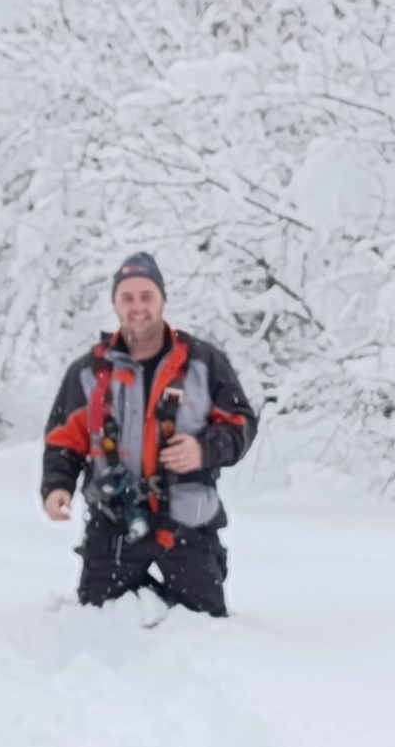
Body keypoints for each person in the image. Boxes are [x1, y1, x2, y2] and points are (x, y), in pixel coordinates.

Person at [40, 252, 257, 617]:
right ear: (114, 304)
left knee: (207, 627)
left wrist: (203, 450)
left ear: (162, 300)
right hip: (114, 524)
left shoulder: (203, 363)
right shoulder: (89, 372)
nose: (137, 306)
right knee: (95, 623)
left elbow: (241, 424)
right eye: (127, 297)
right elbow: (64, 440)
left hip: (188, 523)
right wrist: (56, 487)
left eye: (146, 296)